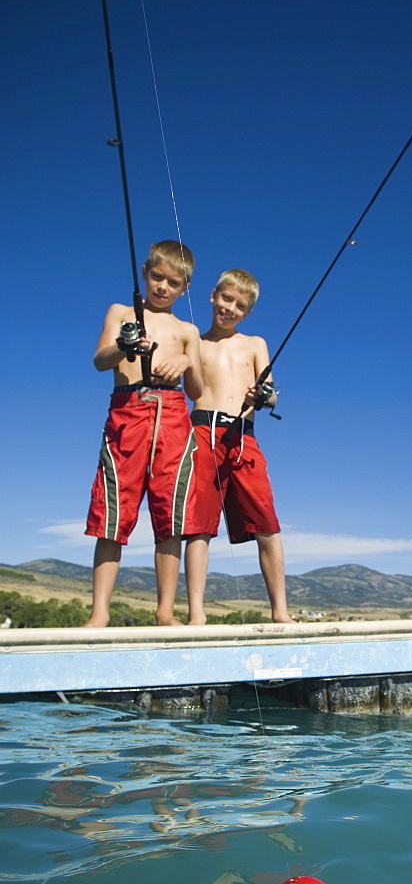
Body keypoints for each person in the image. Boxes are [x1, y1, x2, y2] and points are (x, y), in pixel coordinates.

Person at [84, 240, 203, 627]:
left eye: (173, 282)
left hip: (172, 415)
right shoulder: (121, 312)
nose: (163, 287)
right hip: (127, 412)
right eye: (157, 277)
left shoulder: (188, 330)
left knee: (169, 515)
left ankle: (165, 611)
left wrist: (187, 361)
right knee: (113, 509)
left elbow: (197, 391)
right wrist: (124, 345)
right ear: (144, 273)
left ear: (184, 289)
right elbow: (101, 361)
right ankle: (99, 613)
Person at [185, 269, 290, 625]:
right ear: (213, 295)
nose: (230, 308)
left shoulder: (255, 343)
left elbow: (271, 395)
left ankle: (281, 612)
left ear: (248, 313)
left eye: (240, 305)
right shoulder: (194, 341)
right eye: (226, 299)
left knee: (267, 524)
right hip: (200, 432)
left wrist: (262, 396)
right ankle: (196, 615)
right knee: (198, 526)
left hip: (243, 435)